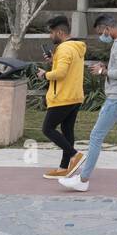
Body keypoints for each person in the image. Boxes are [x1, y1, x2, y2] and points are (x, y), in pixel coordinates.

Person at [59, 14, 117, 193]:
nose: (102, 36)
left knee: (96, 136)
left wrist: (102, 71)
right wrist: (106, 68)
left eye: (101, 32)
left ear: (108, 28)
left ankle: (83, 180)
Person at [38, 16, 87, 178]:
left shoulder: (65, 48)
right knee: (67, 131)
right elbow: (67, 69)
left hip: (63, 97)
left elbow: (61, 73)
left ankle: (75, 155)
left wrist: (45, 74)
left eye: (52, 33)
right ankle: (64, 168)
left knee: (47, 129)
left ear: (60, 32)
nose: (50, 37)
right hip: (75, 96)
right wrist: (54, 60)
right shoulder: (75, 47)